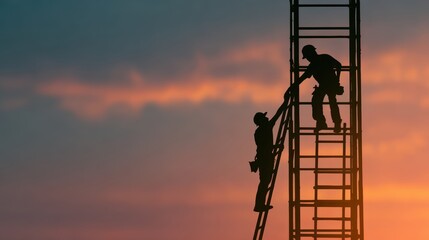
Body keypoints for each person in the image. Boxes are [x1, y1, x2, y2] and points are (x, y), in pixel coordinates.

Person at [290, 45, 343, 133]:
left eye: (307, 57)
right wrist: (337, 80)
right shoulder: (322, 59)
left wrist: (337, 81)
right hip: (326, 85)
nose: (307, 59)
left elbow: (338, 65)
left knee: (329, 102)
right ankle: (326, 122)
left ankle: (329, 123)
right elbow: (339, 65)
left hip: (330, 85)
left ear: (311, 54)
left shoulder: (319, 61)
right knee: (321, 101)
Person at [252, 97, 287, 212]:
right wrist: (285, 103)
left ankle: (260, 204)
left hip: (264, 157)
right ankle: (259, 205)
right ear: (261, 121)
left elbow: (263, 146)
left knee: (265, 181)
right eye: (264, 117)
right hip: (265, 158)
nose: (267, 118)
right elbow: (277, 115)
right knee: (264, 182)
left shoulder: (259, 131)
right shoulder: (265, 128)